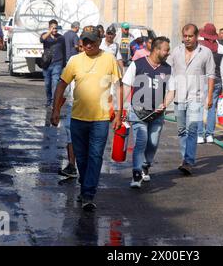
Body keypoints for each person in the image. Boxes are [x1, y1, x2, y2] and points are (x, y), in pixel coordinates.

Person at [51, 26, 123, 211]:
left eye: (92, 41)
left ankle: (89, 193)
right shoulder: (74, 61)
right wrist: (55, 110)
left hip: (100, 119)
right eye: (85, 41)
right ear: (81, 43)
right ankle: (85, 186)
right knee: (81, 157)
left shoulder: (109, 59)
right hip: (78, 118)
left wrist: (120, 114)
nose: (88, 44)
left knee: (96, 156)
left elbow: (119, 86)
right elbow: (61, 85)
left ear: (99, 42)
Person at [123, 36, 175, 188]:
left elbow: (172, 90)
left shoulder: (167, 69)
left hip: (157, 115)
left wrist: (165, 104)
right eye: (166, 50)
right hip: (137, 112)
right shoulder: (137, 64)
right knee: (141, 141)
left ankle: (146, 165)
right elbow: (126, 85)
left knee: (152, 143)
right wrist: (123, 106)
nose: (168, 53)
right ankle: (136, 173)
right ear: (157, 50)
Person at [167, 24, 215, 176]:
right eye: (185, 36)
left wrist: (209, 96)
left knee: (192, 129)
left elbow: (211, 75)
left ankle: (188, 162)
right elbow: (167, 70)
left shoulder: (205, 52)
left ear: (196, 36)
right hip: (179, 96)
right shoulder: (176, 51)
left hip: (196, 97)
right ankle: (184, 158)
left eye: (190, 36)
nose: (187, 39)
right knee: (181, 130)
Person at [197, 23, 223, 144]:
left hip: (202, 79)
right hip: (216, 80)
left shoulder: (199, 47)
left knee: (199, 107)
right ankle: (209, 135)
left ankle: (200, 135)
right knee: (212, 107)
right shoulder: (221, 48)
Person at [59, 21, 81, 178]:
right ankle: (72, 166)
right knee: (71, 137)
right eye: (81, 46)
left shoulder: (102, 61)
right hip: (73, 107)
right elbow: (63, 89)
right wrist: (56, 110)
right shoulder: (72, 64)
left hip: (93, 110)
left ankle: (84, 169)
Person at [40, 19, 66, 108]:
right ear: (49, 27)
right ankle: (48, 100)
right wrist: (49, 32)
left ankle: (54, 102)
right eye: (53, 28)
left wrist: (64, 64)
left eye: (56, 28)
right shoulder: (45, 36)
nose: (55, 30)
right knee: (47, 84)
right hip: (47, 64)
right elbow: (41, 40)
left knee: (55, 83)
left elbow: (64, 50)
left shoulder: (61, 38)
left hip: (58, 63)